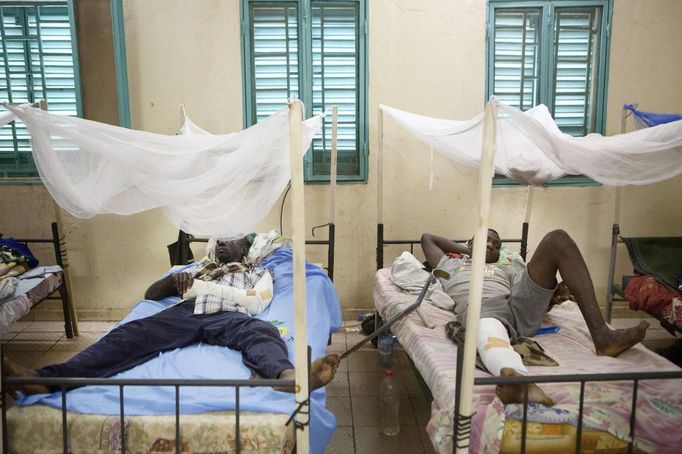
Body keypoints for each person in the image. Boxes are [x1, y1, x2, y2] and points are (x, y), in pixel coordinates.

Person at [4, 236, 340, 396]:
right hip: (187, 312)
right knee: (129, 335)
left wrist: (213, 292)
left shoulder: (257, 271)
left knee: (262, 334)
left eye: (231, 239)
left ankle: (287, 377)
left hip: (230, 316)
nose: (222, 242)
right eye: (218, 239)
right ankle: (46, 379)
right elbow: (150, 296)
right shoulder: (198, 268)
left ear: (246, 248)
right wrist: (172, 280)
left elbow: (259, 303)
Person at [421, 229, 648, 406]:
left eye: (496, 245)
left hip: (514, 304)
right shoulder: (451, 264)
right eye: (485, 241)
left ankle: (603, 336)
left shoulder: (508, 267)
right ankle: (516, 378)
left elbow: (528, 291)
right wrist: (472, 251)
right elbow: (427, 238)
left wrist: (551, 297)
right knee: (486, 310)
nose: (490, 245)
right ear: (470, 246)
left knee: (557, 239)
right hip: (482, 309)